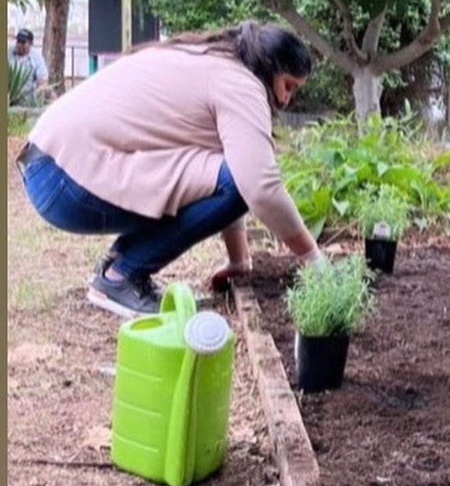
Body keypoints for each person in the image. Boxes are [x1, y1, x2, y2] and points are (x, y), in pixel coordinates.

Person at [17, 21, 325, 317]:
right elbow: (259, 187)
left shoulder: (208, 58)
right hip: (64, 181)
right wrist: (313, 259)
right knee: (241, 180)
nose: (285, 99)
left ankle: (119, 265)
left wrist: (238, 259)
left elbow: (225, 172)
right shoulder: (240, 83)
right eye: (288, 86)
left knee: (232, 176)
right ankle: (120, 277)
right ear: (269, 66)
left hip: (48, 167)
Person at [8, 28, 50, 105]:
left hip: (27, 100)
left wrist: (34, 97)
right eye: (18, 41)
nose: (19, 45)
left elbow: (43, 82)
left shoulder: (37, 58)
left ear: (31, 44)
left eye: (23, 42)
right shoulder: (7, 53)